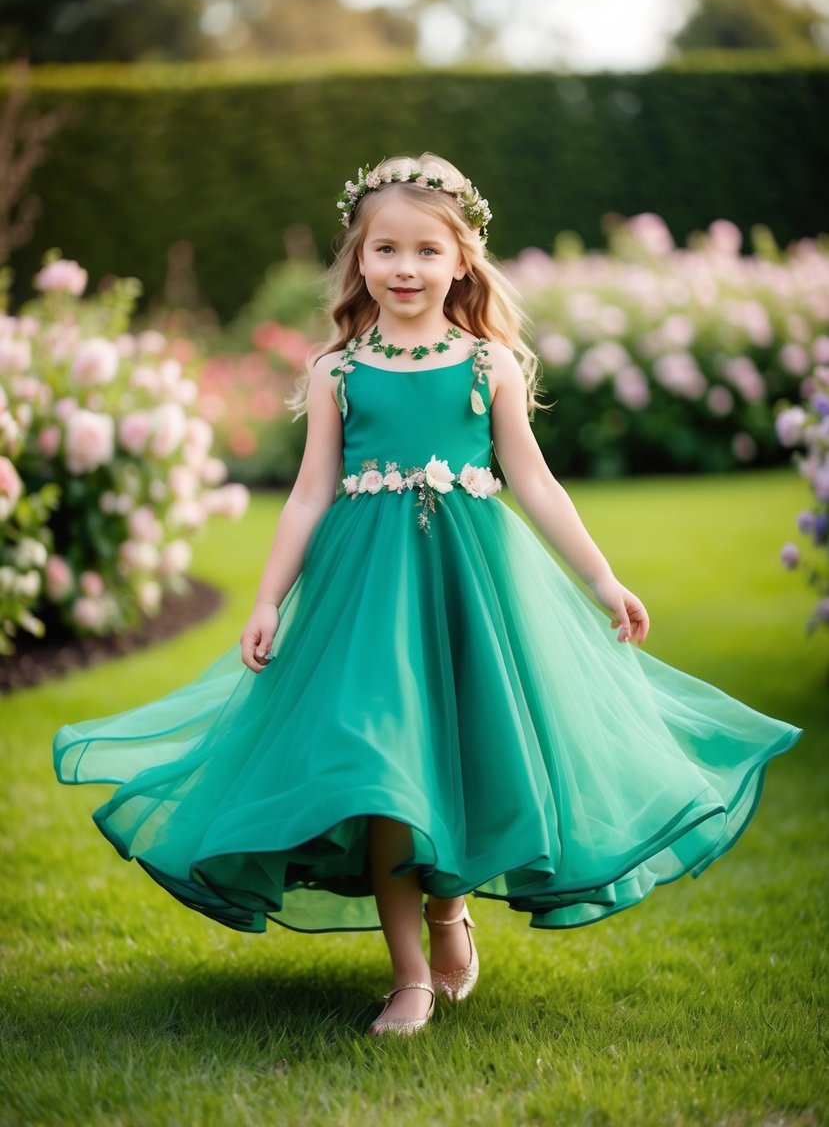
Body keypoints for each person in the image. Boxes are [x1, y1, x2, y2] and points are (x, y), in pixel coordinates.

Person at [53, 152, 802, 1038]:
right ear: (357, 259)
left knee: (464, 759)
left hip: (471, 591)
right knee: (380, 768)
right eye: (383, 251)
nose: (403, 270)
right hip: (362, 597)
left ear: (461, 259)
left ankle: (449, 917)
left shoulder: (488, 366)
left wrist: (600, 577)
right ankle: (409, 977)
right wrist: (265, 600)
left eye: (423, 251)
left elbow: (534, 480)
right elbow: (306, 493)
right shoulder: (338, 371)